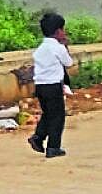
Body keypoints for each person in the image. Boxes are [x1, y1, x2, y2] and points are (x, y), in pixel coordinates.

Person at [29, 13, 74, 158]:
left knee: (48, 113)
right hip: (53, 86)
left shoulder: (41, 48)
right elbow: (69, 63)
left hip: (40, 86)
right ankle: (53, 147)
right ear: (58, 32)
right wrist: (65, 46)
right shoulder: (57, 47)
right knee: (58, 117)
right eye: (63, 29)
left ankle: (38, 137)